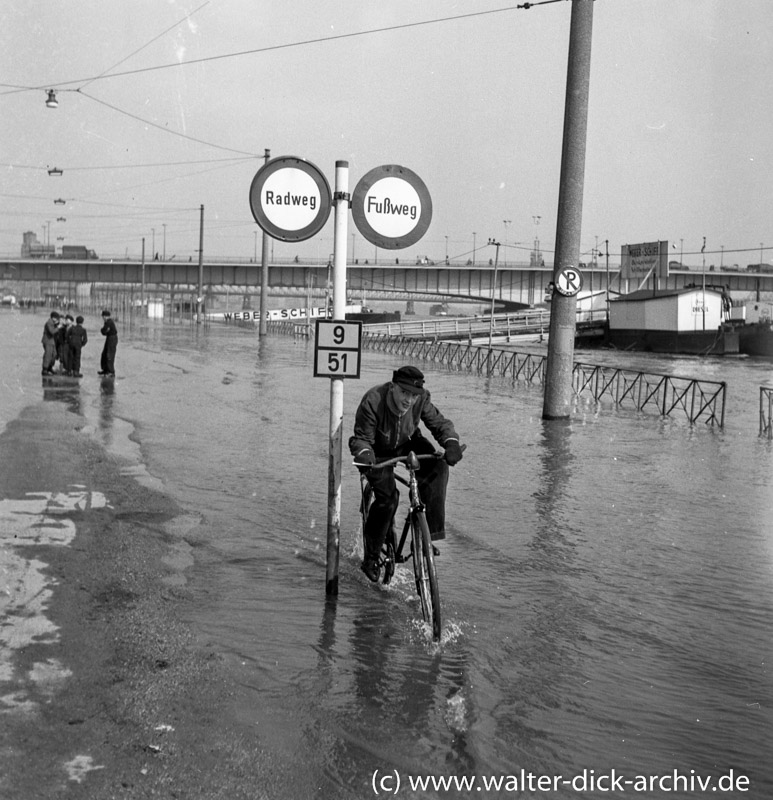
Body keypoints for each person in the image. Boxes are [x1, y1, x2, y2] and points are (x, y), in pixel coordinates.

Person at [349, 365, 464, 582]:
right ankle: (371, 558)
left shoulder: (421, 400)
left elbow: (440, 424)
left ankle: (426, 537)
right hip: (378, 449)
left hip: (407, 441)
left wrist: (451, 442)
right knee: (388, 498)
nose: (408, 400)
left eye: (413, 395)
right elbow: (362, 438)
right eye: (404, 393)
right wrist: (365, 454)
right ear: (393, 387)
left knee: (438, 467)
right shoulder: (373, 400)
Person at [98, 309, 118, 376]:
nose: (102, 318)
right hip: (109, 338)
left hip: (112, 338)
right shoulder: (108, 322)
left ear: (104, 316)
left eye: (103, 317)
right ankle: (106, 370)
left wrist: (103, 330)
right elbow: (104, 331)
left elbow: (103, 330)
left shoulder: (109, 322)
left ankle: (111, 372)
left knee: (109, 355)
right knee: (105, 354)